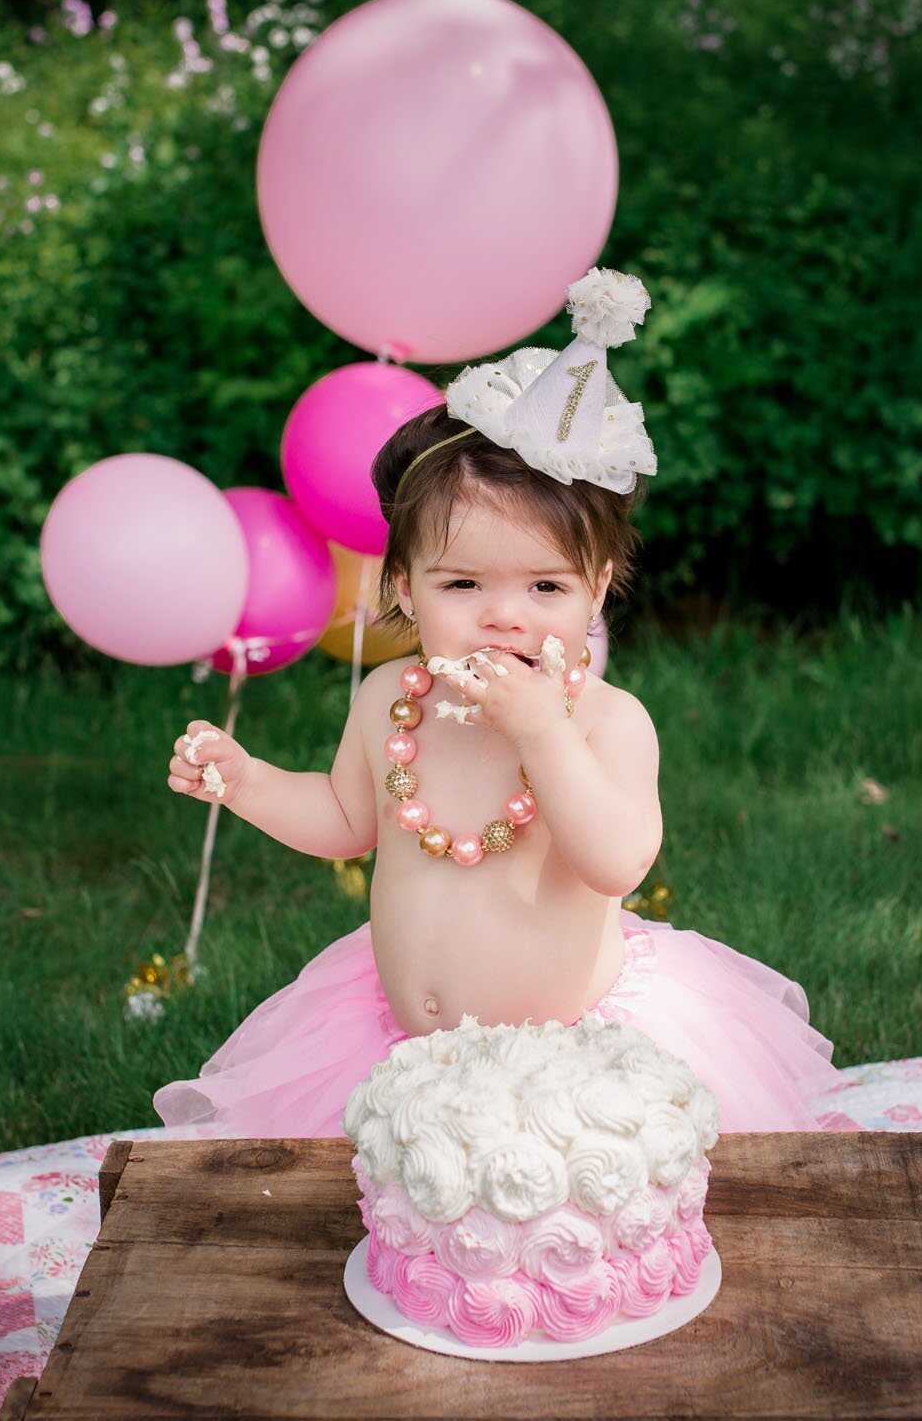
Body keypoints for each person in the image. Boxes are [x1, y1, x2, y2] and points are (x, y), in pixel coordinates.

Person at [155, 268, 846, 1138]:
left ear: (597, 588)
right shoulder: (387, 700)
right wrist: (248, 780)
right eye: (464, 582)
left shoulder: (604, 720)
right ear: (403, 586)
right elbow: (344, 818)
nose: (504, 613)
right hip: (395, 1043)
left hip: (568, 1055)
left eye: (546, 584)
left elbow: (618, 862)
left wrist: (544, 734)